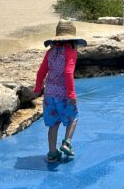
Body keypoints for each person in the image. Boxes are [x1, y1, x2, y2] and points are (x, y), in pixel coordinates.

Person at [33, 19, 87, 163]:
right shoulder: (71, 52)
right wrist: (71, 94)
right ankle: (66, 143)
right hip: (64, 94)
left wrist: (38, 88)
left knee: (53, 124)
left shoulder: (50, 52)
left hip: (49, 94)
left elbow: (41, 72)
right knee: (73, 117)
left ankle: (52, 153)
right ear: (72, 39)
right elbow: (69, 73)